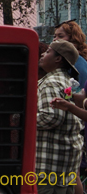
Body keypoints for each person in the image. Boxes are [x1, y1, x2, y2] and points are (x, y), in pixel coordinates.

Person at [38, 40, 84, 194]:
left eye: (48, 51)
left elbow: (51, 117)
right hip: (64, 168)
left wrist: (23, 119)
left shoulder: (50, 83)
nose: (43, 54)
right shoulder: (66, 82)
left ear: (58, 59)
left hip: (48, 168)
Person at [56, 21, 87, 90]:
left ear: (73, 39)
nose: (55, 39)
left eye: (60, 36)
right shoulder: (65, 60)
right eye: (55, 36)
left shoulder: (77, 61)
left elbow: (81, 88)